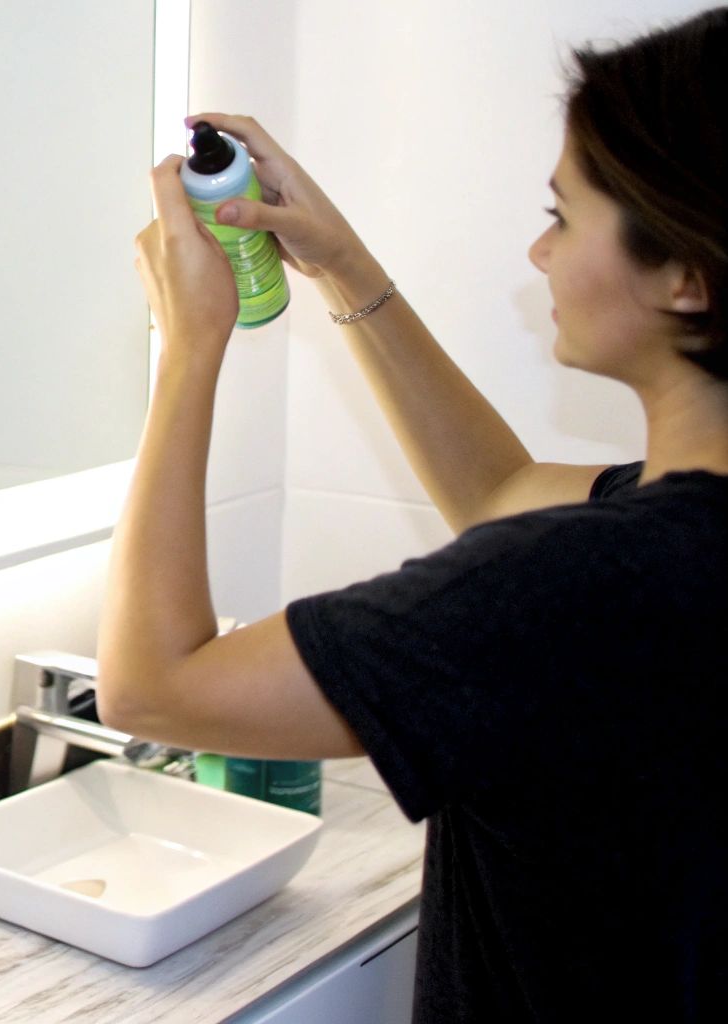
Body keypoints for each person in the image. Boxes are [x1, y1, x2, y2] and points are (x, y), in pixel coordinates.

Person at [101, 7, 726, 1019]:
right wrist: (343, 265)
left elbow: (149, 687)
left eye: (561, 215)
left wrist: (185, 350)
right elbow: (496, 492)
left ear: (685, 276)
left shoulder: (573, 592)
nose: (535, 251)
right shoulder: (668, 540)